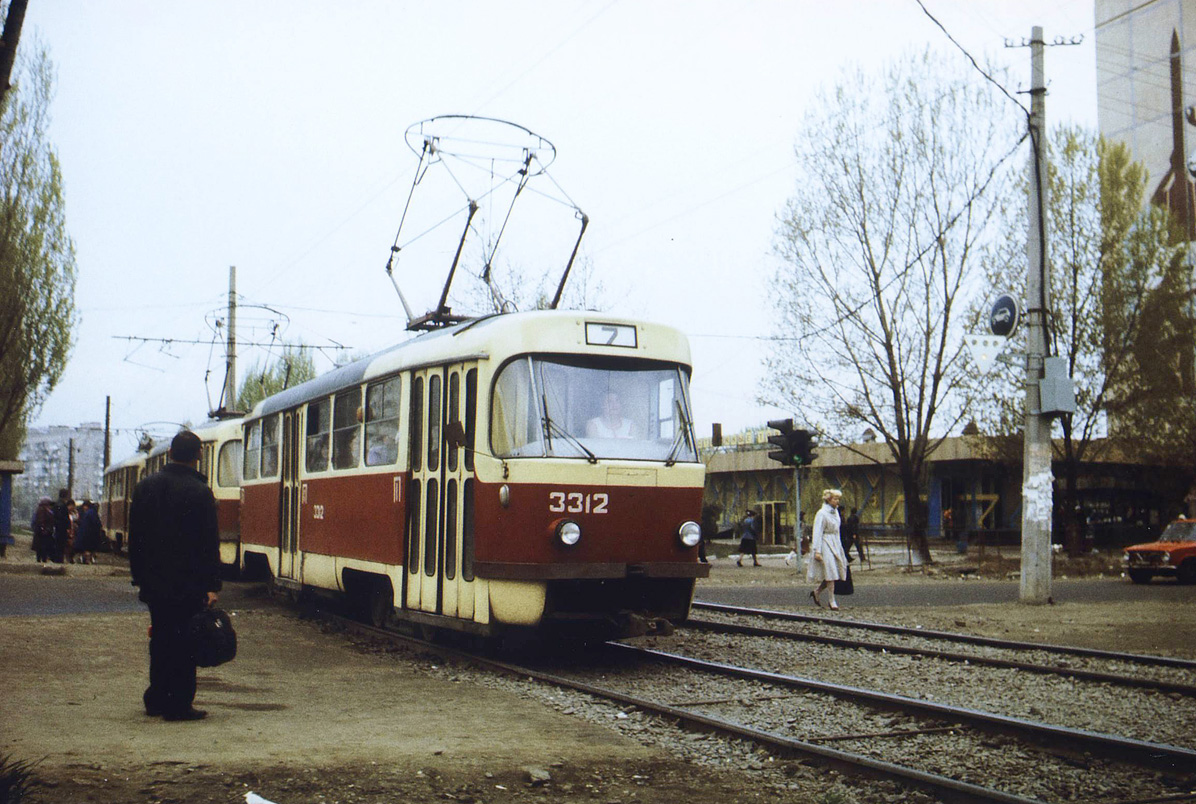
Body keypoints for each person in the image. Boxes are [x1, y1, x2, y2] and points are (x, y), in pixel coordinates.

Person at [129, 430, 222, 722]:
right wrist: (211, 585)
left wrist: (140, 576)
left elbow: (136, 539)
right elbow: (209, 543)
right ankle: (179, 704)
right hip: (189, 583)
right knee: (184, 641)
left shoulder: (145, 487)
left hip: (155, 581)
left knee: (160, 637)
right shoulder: (200, 492)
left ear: (170, 453)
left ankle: (156, 697)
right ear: (198, 456)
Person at [807, 488, 848, 610]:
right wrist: (817, 550)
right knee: (830, 571)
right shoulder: (822, 513)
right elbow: (818, 532)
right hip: (825, 543)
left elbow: (837, 530)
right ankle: (832, 600)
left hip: (835, 542)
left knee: (834, 572)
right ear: (828, 500)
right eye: (835, 499)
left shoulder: (835, 512)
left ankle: (817, 591)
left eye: (838, 499)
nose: (837, 501)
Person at [75, 500, 104, 565]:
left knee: (86, 548)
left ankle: (87, 560)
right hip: (90, 533)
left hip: (87, 533)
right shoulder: (92, 512)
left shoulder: (89, 513)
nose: (84, 508)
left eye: (84, 506)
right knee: (89, 548)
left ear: (86, 506)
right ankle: (88, 560)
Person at [32, 497, 56, 563]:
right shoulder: (42, 510)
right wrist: (44, 529)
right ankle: (41, 559)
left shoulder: (46, 510)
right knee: (42, 546)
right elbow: (40, 520)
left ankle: (42, 558)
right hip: (43, 532)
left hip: (45, 532)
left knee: (43, 546)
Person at [51, 488, 71, 563]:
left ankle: (57, 559)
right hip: (62, 528)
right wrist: (68, 526)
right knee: (61, 544)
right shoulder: (63, 505)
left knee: (57, 544)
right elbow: (64, 517)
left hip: (57, 527)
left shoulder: (56, 504)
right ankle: (59, 560)